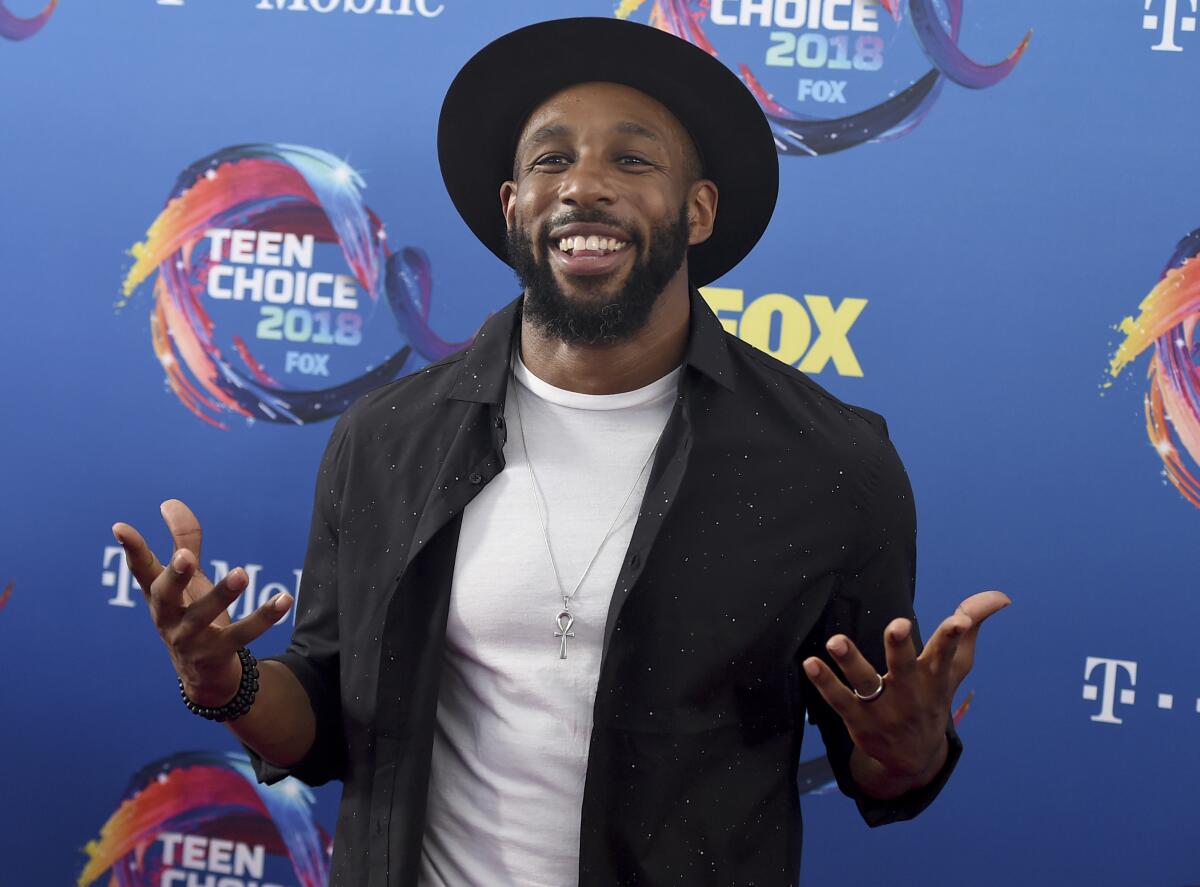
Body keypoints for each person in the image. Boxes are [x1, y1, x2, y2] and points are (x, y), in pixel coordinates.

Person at [112, 16, 1010, 887]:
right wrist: (224, 681)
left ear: (696, 211)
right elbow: (324, 721)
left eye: (631, 158)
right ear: (514, 208)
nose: (584, 185)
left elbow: (881, 760)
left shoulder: (831, 463)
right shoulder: (384, 438)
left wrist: (910, 749)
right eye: (551, 159)